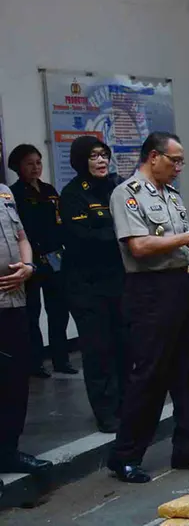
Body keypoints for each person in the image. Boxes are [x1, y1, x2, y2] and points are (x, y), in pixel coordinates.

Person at [107, 132, 189, 484]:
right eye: (174, 160)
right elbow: (140, 247)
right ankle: (126, 455)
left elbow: (182, 252)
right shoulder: (127, 195)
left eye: (181, 161)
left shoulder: (172, 196)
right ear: (152, 157)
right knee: (149, 374)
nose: (179, 167)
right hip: (149, 291)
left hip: (180, 284)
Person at [59, 137, 126, 433]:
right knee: (98, 350)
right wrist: (122, 238)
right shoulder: (73, 194)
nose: (101, 161)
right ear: (80, 161)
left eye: (104, 155)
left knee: (124, 346)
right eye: (94, 156)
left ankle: (125, 404)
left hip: (118, 281)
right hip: (86, 285)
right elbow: (81, 238)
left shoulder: (117, 188)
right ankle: (106, 411)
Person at [7, 145, 73, 378]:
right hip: (31, 262)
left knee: (59, 311)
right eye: (29, 163)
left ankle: (61, 358)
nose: (35, 167)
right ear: (18, 167)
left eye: (38, 162)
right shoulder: (13, 193)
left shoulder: (49, 190)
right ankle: (36, 362)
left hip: (55, 258)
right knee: (32, 313)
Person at [0, 180, 51, 481]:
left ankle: (8, 452)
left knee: (15, 379)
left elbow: (21, 237)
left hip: (14, 299)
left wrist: (29, 267)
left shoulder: (5, 191)